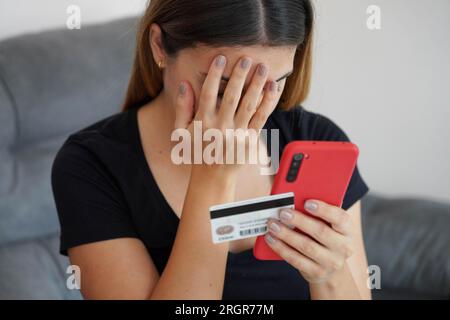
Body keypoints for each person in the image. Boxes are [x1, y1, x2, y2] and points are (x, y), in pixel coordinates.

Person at [51, 0, 371, 299]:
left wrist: (329, 273)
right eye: (223, 89)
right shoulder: (90, 164)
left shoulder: (317, 139)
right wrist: (212, 179)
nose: (250, 110)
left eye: (273, 85)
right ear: (159, 46)